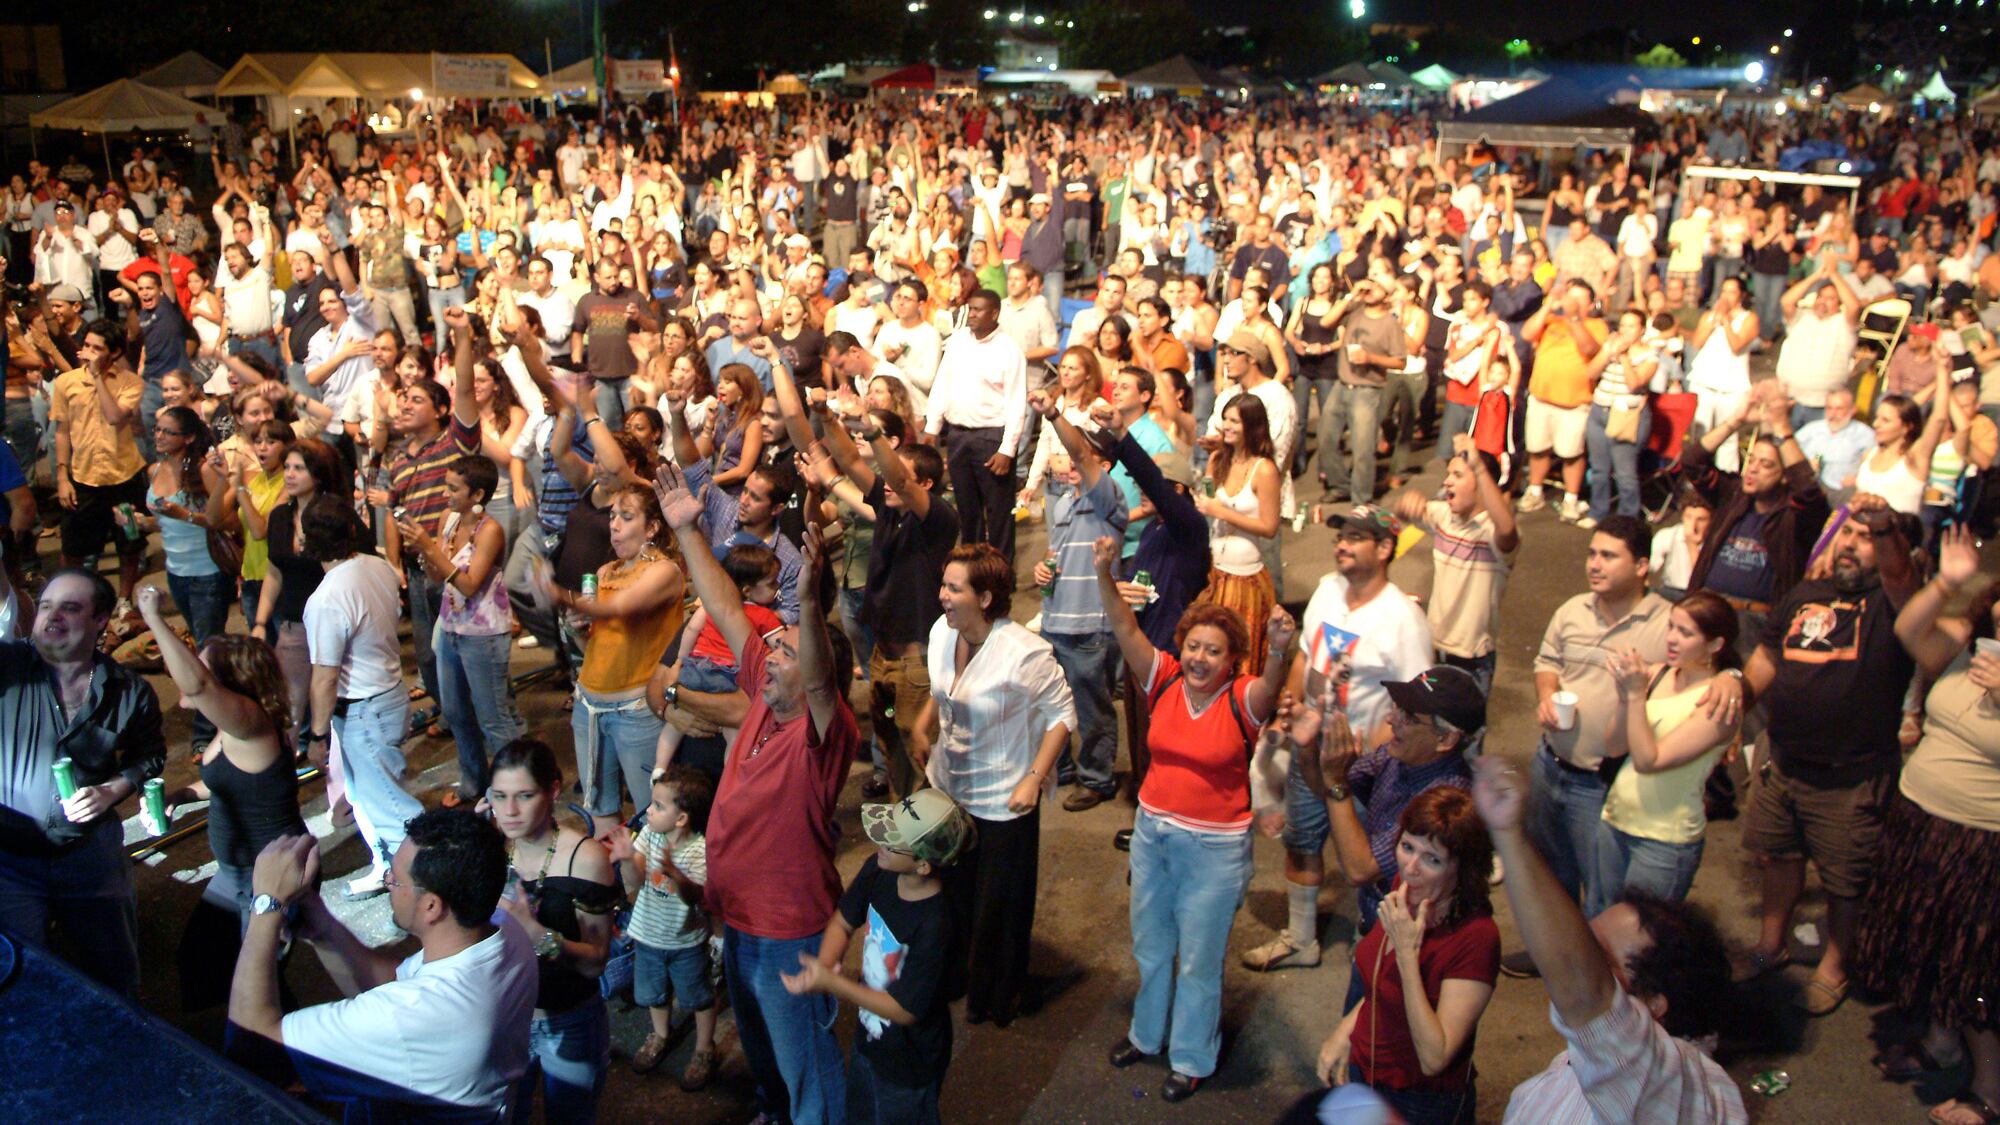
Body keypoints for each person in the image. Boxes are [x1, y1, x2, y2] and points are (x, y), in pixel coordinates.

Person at [657, 462, 859, 1125]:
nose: (770, 656)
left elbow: (821, 679)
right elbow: (725, 605)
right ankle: (774, 1111)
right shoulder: (767, 699)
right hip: (739, 915)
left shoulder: (822, 732)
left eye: (786, 653)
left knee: (806, 1060)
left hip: (786, 927)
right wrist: (688, 531)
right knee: (764, 1047)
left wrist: (809, 603)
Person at [1098, 536, 1290, 1102]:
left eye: (1214, 651)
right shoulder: (1163, 679)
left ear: (1233, 660)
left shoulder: (1244, 698)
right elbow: (1125, 628)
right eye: (1194, 647)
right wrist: (1104, 574)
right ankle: (1146, 1034)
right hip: (1153, 837)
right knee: (1151, 946)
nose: (1201, 659)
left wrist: (1281, 649)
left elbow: (1274, 684)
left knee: (1199, 963)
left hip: (1215, 852)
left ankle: (1191, 1057)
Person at [1470, 757, 1747, 1123]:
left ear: (1653, 1004)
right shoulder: (1584, 1060)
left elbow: (1586, 992)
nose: (1575, 954)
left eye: (1599, 958)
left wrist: (1510, 834)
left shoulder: (1666, 1084)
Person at [226, 811, 539, 1120]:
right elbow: (395, 982)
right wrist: (323, 927)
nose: (388, 881)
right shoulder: (503, 929)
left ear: (431, 906)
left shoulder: (414, 1016)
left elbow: (251, 1044)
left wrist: (266, 905)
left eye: (396, 879)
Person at [1738, 497, 1922, 1016]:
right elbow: (1768, 653)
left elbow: (1900, 576)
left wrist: (1883, 526)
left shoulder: (1895, 604)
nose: (1852, 544)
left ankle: (1836, 965)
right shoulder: (1807, 593)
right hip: (1783, 762)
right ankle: (1771, 944)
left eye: (1867, 538)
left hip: (1850, 777)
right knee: (1779, 856)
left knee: (1846, 880)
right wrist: (1739, 694)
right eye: (1848, 533)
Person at [1245, 504, 1433, 972]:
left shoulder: (1403, 619)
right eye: (1340, 537)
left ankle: (1371, 943)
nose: (1341, 545)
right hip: (1310, 750)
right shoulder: (1328, 590)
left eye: (1354, 537)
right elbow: (1306, 658)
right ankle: (1301, 939)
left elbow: (1415, 704)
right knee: (1301, 840)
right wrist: (1287, 713)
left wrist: (1373, 755)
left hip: (1368, 766)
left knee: (1369, 861)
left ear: (1385, 548)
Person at [1857, 527, 2000, 1125]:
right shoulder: (1974, 648)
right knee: (1929, 949)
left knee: (1975, 970)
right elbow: (1909, 630)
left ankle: (1991, 1092)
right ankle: (1942, 1045)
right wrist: (1948, 581)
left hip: (1981, 842)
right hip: (1920, 821)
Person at [910, 542, 1076, 1028]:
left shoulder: (1023, 653)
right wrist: (922, 725)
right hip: (949, 785)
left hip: (1004, 799)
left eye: (954, 588)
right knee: (952, 894)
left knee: (998, 908)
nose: (942, 595)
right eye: (943, 584)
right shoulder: (942, 631)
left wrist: (1034, 778)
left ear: (984, 598)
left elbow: (1062, 715)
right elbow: (947, 688)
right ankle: (955, 976)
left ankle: (997, 997)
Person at [0, 567, 163, 997]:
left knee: (114, 977)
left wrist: (113, 789)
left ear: (100, 620)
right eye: (46, 606)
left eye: (70, 608)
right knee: (23, 980)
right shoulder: (8, 667)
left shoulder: (128, 691)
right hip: (11, 864)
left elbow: (149, 755)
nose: (52, 616)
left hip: (90, 858)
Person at [136, 582, 303, 1003]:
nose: (189, 671)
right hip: (237, 874)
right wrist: (180, 797)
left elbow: (197, 687)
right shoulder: (233, 732)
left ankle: (270, 1042)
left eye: (202, 667)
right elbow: (227, 781)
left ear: (229, 685)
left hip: (268, 877)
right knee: (202, 959)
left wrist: (153, 617)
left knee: (260, 989)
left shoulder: (253, 727)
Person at [783, 787, 974, 1125]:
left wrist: (835, 984)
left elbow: (904, 1009)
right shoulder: (880, 869)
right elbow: (843, 920)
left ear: (922, 865)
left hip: (909, 1063)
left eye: (891, 841)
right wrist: (825, 965)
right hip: (869, 1039)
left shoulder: (936, 925)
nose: (879, 842)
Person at [1314, 789, 1500, 1125]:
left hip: (1419, 1100)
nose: (1410, 867)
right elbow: (1382, 980)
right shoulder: (1409, 889)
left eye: (1433, 859)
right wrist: (1346, 1031)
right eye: (1407, 846)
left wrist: (1406, 953)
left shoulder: (1476, 937)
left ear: (1462, 868)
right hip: (1367, 1071)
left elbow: (1434, 1058)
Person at [484, 739, 620, 1124]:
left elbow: (595, 963)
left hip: (569, 1019)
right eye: (499, 796)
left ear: (554, 790)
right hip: (506, 1017)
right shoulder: (492, 848)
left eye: (525, 796)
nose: (509, 811)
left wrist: (538, 935)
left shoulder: (585, 858)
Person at [539, 484, 685, 821]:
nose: (614, 525)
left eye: (627, 517)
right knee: (598, 811)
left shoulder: (665, 572)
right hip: (588, 704)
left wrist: (559, 593)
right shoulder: (605, 572)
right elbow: (593, 646)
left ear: (652, 527)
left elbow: (620, 607)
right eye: (612, 516)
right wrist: (577, 629)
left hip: (635, 709)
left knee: (651, 815)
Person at [301, 495, 423, 897]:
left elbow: (324, 677)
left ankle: (424, 883)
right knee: (365, 797)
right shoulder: (378, 566)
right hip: (389, 695)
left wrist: (317, 736)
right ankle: (385, 867)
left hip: (364, 712)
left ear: (306, 542)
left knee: (392, 808)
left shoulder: (326, 599)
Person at [1593, 593, 1744, 917]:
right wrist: (1626, 698)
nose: (1672, 638)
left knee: (1643, 932)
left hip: (1663, 840)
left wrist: (1636, 695)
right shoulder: (1658, 674)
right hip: (1616, 818)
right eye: (1671, 627)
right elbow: (1615, 747)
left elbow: (1649, 761)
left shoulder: (1716, 704)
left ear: (1715, 645)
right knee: (1602, 919)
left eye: (1685, 633)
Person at [1025, 389, 1129, 811]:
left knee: (1092, 710)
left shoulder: (1108, 500)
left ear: (1104, 465)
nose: (1070, 462)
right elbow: (1056, 555)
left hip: (1090, 625)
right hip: (1056, 620)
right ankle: (1063, 767)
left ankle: (1097, 778)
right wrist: (1043, 571)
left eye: (1078, 457)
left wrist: (1053, 413)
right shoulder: (1066, 503)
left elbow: (1083, 456)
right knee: (1054, 703)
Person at [395, 456, 522, 803]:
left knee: (493, 718)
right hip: (451, 626)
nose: (445, 494)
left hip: (484, 634)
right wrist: (427, 555)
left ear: (477, 494)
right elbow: (439, 577)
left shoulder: (490, 530)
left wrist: (428, 547)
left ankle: (518, 788)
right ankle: (473, 783)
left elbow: (469, 584)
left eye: (453, 489)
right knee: (455, 712)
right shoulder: (448, 521)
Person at [1393, 435, 1520, 746]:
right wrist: (1405, 505)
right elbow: (1405, 511)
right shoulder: (1444, 516)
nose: (1447, 481)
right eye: (1447, 474)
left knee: (1464, 747)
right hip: (1433, 649)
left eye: (1458, 475)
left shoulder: (1492, 533)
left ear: (1482, 485)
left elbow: (1507, 530)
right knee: (1426, 739)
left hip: (1471, 661)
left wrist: (1478, 463)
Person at [606, 766, 717, 1092]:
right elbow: (637, 881)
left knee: (698, 997)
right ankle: (660, 1035)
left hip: (686, 943)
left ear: (681, 818)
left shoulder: (699, 850)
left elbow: (695, 897)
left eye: (657, 805)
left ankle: (704, 1048)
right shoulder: (651, 835)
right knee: (654, 994)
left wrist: (676, 874)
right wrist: (627, 859)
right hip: (649, 937)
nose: (648, 811)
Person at [50, 318, 148, 610]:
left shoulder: (130, 382)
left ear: (114, 352)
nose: (88, 353)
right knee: (73, 547)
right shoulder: (66, 382)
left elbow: (115, 417)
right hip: (84, 477)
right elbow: (61, 431)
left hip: (124, 477)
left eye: (97, 348)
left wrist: (97, 378)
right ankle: (71, 597)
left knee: (130, 542)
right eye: (87, 346)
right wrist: (62, 477)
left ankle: (124, 601)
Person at [924, 290, 1027, 560]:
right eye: (970, 309)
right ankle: (971, 566)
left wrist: (1007, 449)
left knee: (998, 511)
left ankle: (1001, 569)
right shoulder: (958, 341)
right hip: (958, 435)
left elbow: (1017, 403)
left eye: (979, 310)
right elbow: (942, 383)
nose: (972, 315)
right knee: (967, 508)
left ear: (994, 313)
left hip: (991, 436)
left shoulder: (1009, 350)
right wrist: (932, 426)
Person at [1192, 394, 1281, 674]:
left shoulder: (1264, 470)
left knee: (1238, 657)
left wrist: (1221, 512)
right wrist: (1205, 487)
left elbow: (1269, 527)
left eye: (1235, 421)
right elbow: (1208, 496)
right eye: (1225, 420)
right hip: (1214, 571)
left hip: (1245, 577)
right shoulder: (1219, 459)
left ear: (1252, 426)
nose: (1227, 426)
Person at [1519, 281, 1609, 523]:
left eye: (1579, 299)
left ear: (1590, 304)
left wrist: (1574, 318)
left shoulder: (1597, 325)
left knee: (1572, 453)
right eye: (1570, 297)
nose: (1572, 302)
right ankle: (1535, 491)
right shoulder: (1552, 320)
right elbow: (1526, 334)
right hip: (1542, 397)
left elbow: (1590, 349)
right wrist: (1547, 305)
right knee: (1537, 448)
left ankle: (1571, 498)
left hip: (1574, 404)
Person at [1580, 309, 1658, 527]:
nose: (1625, 330)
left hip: (1626, 416)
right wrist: (1608, 351)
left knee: (1625, 472)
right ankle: (1598, 512)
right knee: (1599, 469)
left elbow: (1634, 383)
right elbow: (1591, 373)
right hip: (1600, 411)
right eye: (1622, 325)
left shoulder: (1650, 356)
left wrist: (1624, 357)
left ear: (1642, 330)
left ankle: (1627, 518)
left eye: (1631, 326)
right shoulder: (1610, 348)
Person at [1794, 389, 1876, 505]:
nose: (1833, 414)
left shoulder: (1864, 435)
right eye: (1829, 408)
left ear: (1852, 410)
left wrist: (1858, 479)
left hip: (1843, 491)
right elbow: (1791, 450)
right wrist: (1807, 464)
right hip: (1810, 489)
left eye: (1839, 409)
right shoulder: (1811, 429)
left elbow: (1876, 465)